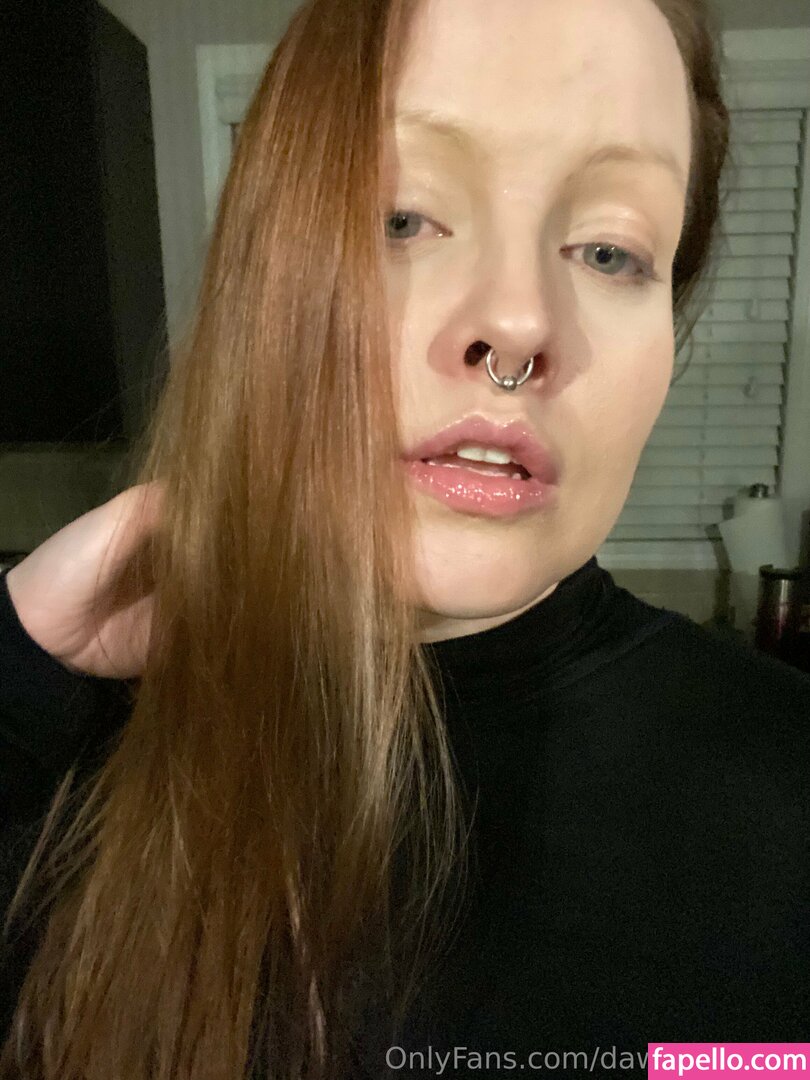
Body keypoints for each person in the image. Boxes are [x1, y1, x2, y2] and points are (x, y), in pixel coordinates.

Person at [1, 0, 808, 1077]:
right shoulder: (55, 745)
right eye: (403, 217)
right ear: (262, 280)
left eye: (611, 249)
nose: (519, 323)